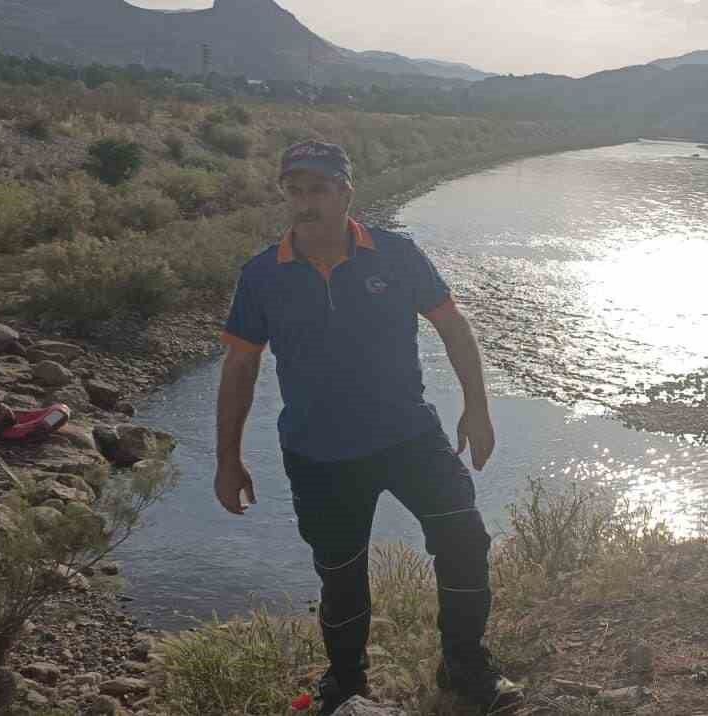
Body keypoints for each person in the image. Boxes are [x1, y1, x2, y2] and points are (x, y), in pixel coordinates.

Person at [215, 141, 520, 714]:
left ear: (346, 193)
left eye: (319, 189)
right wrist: (227, 458)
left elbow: (452, 325)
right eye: (295, 189)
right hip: (318, 451)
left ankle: (465, 665)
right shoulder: (262, 274)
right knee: (341, 572)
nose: (306, 202)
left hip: (409, 436)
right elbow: (240, 366)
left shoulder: (396, 255)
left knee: (464, 540)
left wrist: (477, 408)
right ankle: (348, 683)